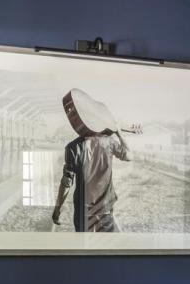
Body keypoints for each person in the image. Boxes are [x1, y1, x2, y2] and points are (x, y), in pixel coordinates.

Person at [51, 89, 132, 232]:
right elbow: (130, 156)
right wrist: (119, 133)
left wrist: (58, 208)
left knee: (83, 245)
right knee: (105, 244)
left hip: (82, 211)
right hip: (105, 210)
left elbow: (66, 184)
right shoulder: (109, 143)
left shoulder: (72, 148)